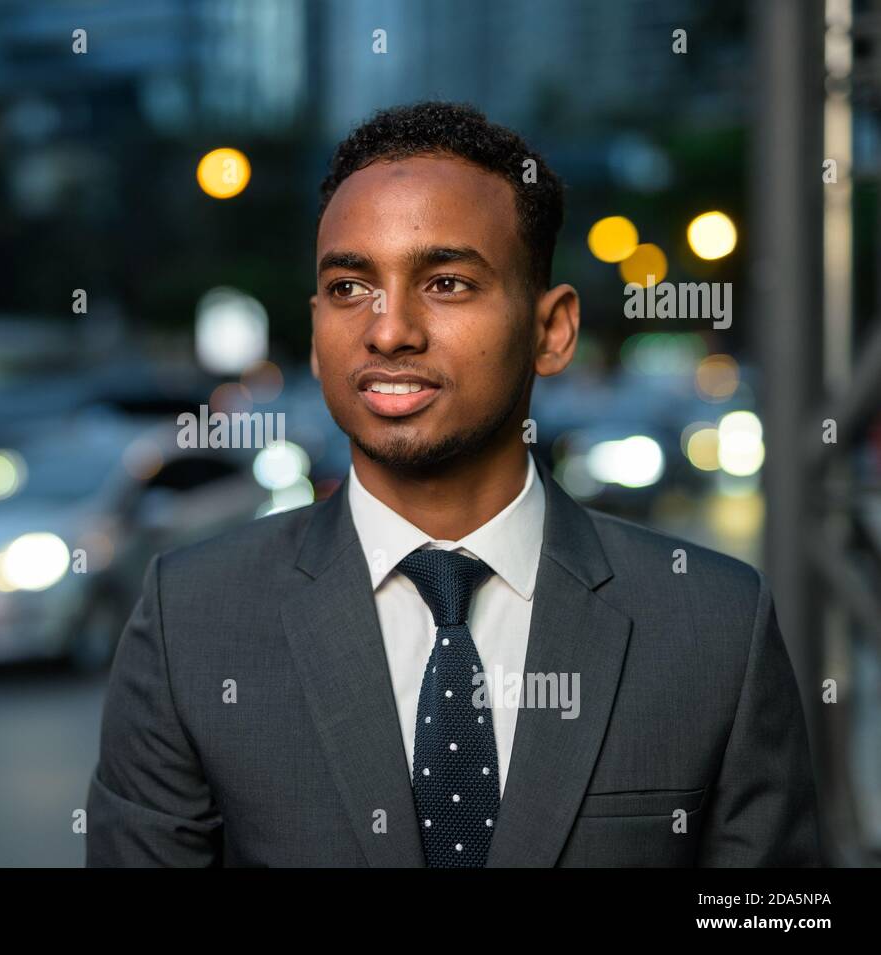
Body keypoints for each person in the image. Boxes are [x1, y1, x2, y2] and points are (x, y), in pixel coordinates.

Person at [85, 101, 821, 867]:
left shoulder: (715, 627)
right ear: (313, 325)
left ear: (551, 330)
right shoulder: (192, 621)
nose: (388, 328)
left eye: (445, 281)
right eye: (348, 287)